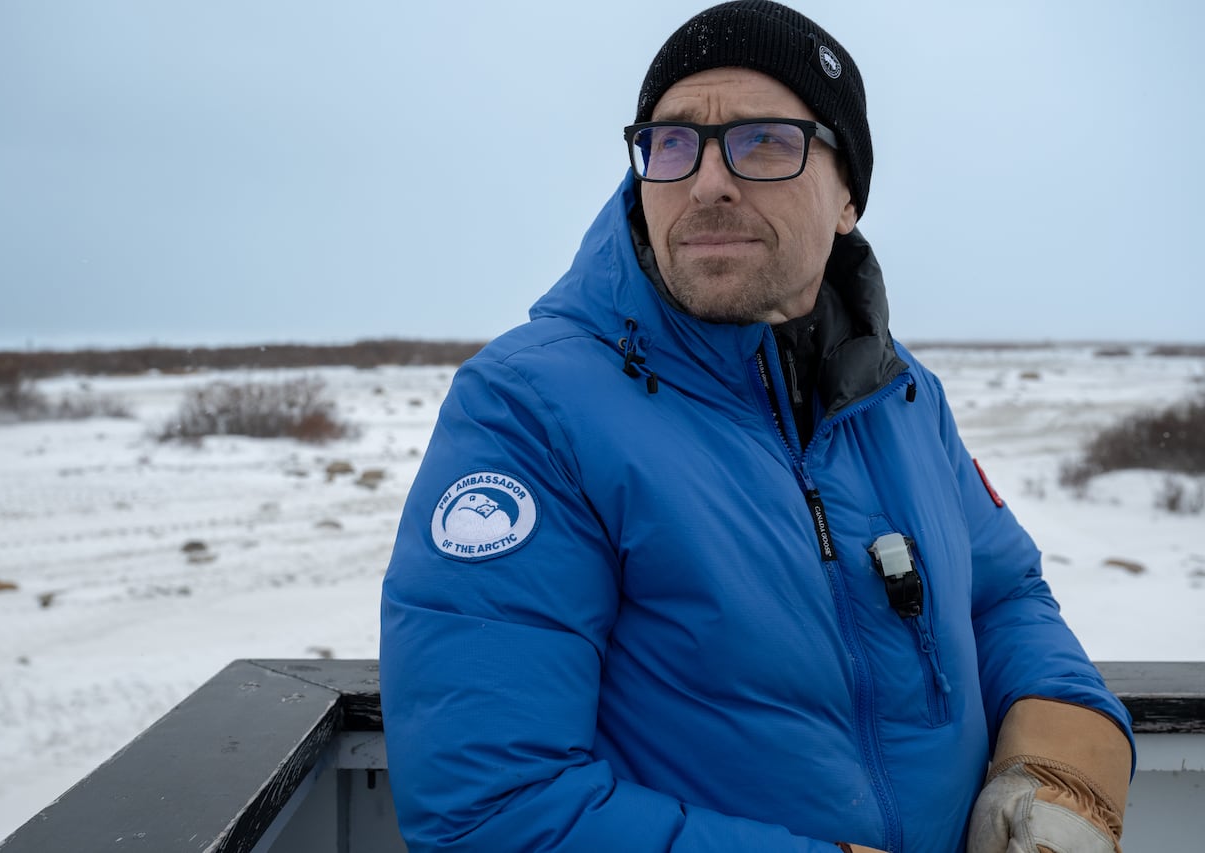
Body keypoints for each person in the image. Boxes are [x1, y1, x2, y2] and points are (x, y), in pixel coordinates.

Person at [379, 2, 1135, 851]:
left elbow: (1003, 596)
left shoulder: (899, 396)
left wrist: (1060, 763)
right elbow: (491, 806)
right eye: (672, 144)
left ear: (848, 193)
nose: (706, 182)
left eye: (764, 140)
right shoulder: (531, 408)